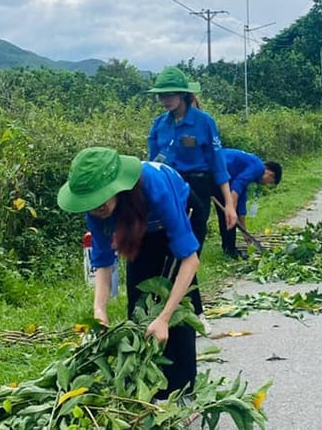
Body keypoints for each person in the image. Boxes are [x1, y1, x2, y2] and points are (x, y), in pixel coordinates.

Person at [57, 147, 200, 398]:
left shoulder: (154, 186)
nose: (96, 208)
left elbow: (190, 260)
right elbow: (103, 262)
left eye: (101, 199)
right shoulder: (97, 211)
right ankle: (149, 384)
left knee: (177, 312)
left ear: (117, 187)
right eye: (90, 204)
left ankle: (183, 390)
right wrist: (99, 311)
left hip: (180, 214)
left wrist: (164, 318)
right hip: (139, 228)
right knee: (139, 306)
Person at [147, 67, 237, 329]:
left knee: (188, 251)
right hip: (166, 190)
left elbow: (218, 165)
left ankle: (197, 313)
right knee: (167, 251)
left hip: (197, 190)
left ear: (184, 95)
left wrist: (229, 204)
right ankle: (167, 310)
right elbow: (152, 164)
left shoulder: (204, 122)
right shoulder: (158, 125)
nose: (165, 100)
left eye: (170, 94)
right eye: (160, 95)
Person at [214, 149, 283, 258]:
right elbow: (237, 185)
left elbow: (241, 201)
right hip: (214, 167)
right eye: (269, 182)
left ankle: (228, 248)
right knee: (229, 213)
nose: (265, 184)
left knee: (228, 212)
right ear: (270, 174)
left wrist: (244, 232)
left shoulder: (252, 169)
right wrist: (231, 209)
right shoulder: (258, 167)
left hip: (219, 174)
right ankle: (230, 250)